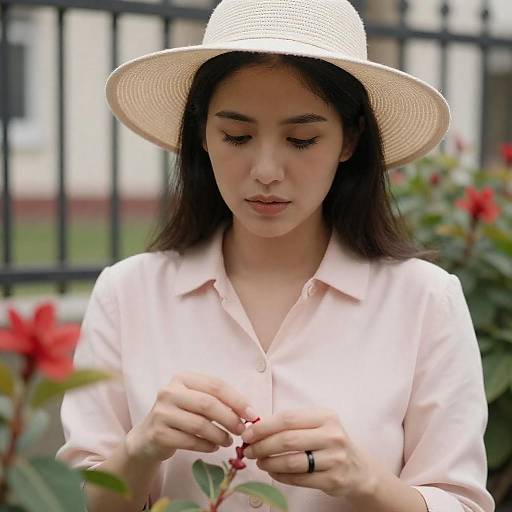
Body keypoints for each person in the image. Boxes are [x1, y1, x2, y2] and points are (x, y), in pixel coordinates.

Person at [55, 1, 495, 511]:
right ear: (201, 133)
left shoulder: (426, 301)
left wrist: (364, 481)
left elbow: (463, 503)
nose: (266, 169)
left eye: (302, 139)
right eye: (236, 136)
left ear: (349, 138)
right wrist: (143, 446)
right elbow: (67, 501)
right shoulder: (127, 295)